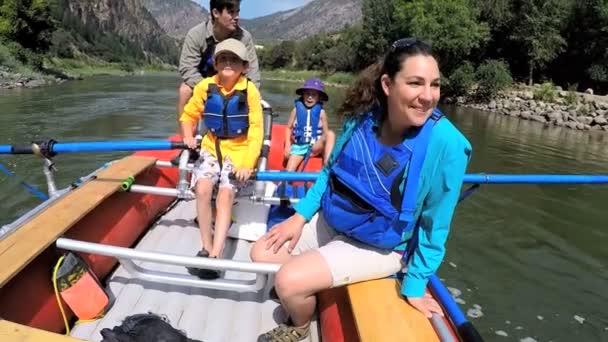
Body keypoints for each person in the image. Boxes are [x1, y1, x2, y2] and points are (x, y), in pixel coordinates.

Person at [250, 37, 472, 341]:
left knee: (287, 282)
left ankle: (299, 324)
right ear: (387, 84)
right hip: (334, 220)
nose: (427, 96)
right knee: (260, 251)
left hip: (378, 245)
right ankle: (310, 282)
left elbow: (436, 225)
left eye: (434, 85)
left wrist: (415, 285)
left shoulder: (447, 144)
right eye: (415, 83)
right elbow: (330, 172)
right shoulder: (364, 118)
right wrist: (299, 216)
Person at [180, 38, 262, 279]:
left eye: (234, 59)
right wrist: (187, 135)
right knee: (203, 189)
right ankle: (205, 247)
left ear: (244, 67)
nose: (228, 63)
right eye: (223, 58)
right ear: (215, 63)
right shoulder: (206, 86)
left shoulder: (250, 91)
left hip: (239, 150)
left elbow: (256, 130)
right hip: (211, 146)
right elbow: (189, 115)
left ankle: (216, 255)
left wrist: (248, 163)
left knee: (225, 196)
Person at [177, 0, 260, 123]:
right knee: (185, 90)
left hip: (235, 84)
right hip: (203, 84)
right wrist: (212, 90)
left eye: (237, 12)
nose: (236, 17)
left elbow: (252, 72)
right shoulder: (196, 35)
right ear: (216, 13)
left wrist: (250, 93)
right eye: (231, 12)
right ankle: (185, 137)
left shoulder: (245, 38)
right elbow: (187, 69)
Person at [283, 78, 335, 170]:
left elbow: (325, 134)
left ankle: (326, 168)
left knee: (330, 134)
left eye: (313, 95)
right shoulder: (296, 110)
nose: (310, 97)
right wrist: (287, 146)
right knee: (288, 172)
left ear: (319, 97)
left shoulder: (322, 113)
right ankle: (285, 182)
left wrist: (323, 151)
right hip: (299, 147)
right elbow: (288, 128)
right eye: (307, 94)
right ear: (303, 95)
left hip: (315, 147)